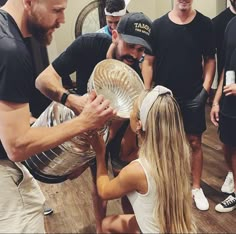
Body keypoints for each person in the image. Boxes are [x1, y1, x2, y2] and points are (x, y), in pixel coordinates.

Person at [0, 0, 115, 233]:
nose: (62, 20)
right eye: (57, 10)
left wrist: (66, 104)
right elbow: (17, 146)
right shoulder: (11, 50)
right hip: (4, 170)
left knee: (34, 200)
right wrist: (83, 122)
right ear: (29, 2)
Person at [35, 12, 152, 232]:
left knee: (126, 185)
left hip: (111, 131)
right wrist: (73, 101)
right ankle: (100, 229)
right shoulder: (88, 45)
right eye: (131, 46)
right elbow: (42, 81)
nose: (135, 55)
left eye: (141, 50)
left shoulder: (132, 75)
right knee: (98, 187)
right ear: (115, 35)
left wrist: (91, 155)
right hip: (84, 126)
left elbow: (115, 128)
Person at [90, 85, 196, 233]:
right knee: (110, 223)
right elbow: (127, 154)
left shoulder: (137, 171)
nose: (130, 114)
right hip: (178, 227)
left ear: (139, 124)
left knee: (106, 225)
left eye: (132, 110)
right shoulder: (180, 155)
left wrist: (100, 154)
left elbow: (103, 191)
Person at [142, 0, 216, 211]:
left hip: (193, 95)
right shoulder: (157, 26)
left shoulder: (204, 24)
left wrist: (205, 90)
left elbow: (210, 59)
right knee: (164, 144)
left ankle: (195, 188)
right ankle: (168, 188)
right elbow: (148, 62)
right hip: (164, 97)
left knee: (195, 143)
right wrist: (147, 93)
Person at [210, 15, 236, 213]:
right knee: (228, 148)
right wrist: (216, 100)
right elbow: (226, 67)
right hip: (229, 102)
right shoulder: (230, 25)